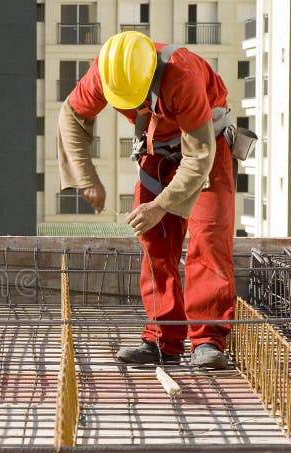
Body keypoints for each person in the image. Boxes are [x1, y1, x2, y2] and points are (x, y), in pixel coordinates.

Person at [57, 31, 234, 370]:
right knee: (154, 242)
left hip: (206, 145)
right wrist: (86, 176)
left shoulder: (182, 75)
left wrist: (161, 205)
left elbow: (199, 157)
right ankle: (162, 341)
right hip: (157, 148)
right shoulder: (108, 69)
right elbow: (73, 115)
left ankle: (208, 342)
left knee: (208, 238)